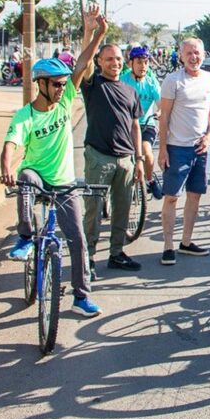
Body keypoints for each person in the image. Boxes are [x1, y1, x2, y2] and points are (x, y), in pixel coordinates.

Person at [0, 4, 106, 318]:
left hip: (64, 184)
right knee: (27, 176)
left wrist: (99, 32)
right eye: (56, 84)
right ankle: (24, 237)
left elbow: (85, 61)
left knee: (78, 241)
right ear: (41, 84)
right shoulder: (26, 116)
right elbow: (10, 144)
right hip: (36, 177)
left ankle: (81, 296)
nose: (62, 89)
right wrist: (7, 166)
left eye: (64, 84)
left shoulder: (65, 103)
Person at [77, 28, 145, 276]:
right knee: (93, 210)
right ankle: (89, 258)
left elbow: (135, 125)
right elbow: (83, 61)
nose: (114, 63)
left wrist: (138, 159)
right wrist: (92, 32)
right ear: (99, 62)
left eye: (117, 59)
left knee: (122, 209)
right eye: (108, 59)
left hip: (125, 159)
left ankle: (116, 253)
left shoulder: (130, 91)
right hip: (98, 157)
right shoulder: (93, 84)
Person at [157, 38, 210, 266]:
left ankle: (186, 242)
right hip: (177, 147)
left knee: (195, 195)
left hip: (201, 148)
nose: (194, 57)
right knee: (171, 197)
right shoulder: (173, 81)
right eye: (189, 53)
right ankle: (168, 246)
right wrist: (163, 150)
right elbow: (164, 117)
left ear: (204, 55)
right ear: (181, 56)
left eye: (198, 53)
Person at [121, 46, 164, 199]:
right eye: (139, 62)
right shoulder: (123, 80)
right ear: (130, 64)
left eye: (146, 62)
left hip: (147, 124)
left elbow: (161, 105)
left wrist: (159, 112)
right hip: (125, 126)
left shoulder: (151, 83)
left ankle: (151, 181)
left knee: (146, 152)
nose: (143, 66)